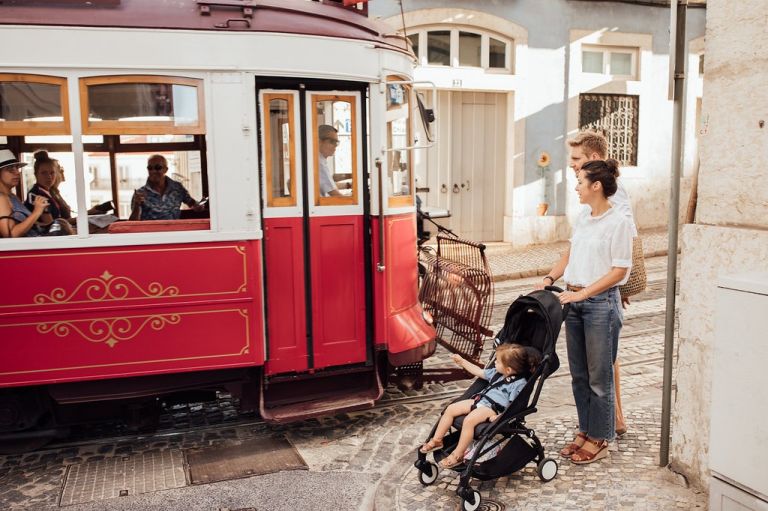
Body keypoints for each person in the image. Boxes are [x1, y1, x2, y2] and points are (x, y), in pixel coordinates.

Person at [541, 159, 633, 464]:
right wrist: (550, 278)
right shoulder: (583, 216)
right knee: (579, 376)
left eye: (580, 181)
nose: (576, 187)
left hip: (600, 306)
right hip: (574, 302)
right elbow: (570, 252)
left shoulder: (618, 222)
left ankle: (600, 437)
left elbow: (619, 271)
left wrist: (582, 293)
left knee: (599, 378)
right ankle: (585, 429)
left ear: (596, 186)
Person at [560, 130, 636, 437]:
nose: (572, 167)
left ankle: (605, 430)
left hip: (600, 297)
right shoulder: (584, 212)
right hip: (583, 296)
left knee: (601, 374)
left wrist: (615, 289)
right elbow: (576, 248)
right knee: (586, 374)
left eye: (576, 161)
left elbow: (621, 254)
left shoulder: (616, 206)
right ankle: (596, 427)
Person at [418, 343, 542, 469]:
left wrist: (500, 417)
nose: (494, 362)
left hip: (491, 409)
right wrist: (462, 362)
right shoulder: (497, 373)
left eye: (497, 361)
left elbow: (513, 404)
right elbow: (478, 371)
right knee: (451, 409)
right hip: (479, 400)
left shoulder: (519, 384)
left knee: (469, 421)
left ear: (508, 370)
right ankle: (437, 440)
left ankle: (458, 455)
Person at [129, 154, 202, 220]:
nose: (153, 171)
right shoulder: (140, 194)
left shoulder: (178, 188)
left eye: (158, 167)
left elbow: (192, 204)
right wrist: (136, 205)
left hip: (174, 233)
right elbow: (132, 224)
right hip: (150, 234)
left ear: (166, 169)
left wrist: (199, 206)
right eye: (150, 168)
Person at [0, 149, 48, 238]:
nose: (17, 173)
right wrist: (36, 212)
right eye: (11, 170)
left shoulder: (12, 197)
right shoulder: (1, 199)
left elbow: (30, 226)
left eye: (17, 168)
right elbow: (10, 235)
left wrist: (55, 224)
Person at [318, 124, 343, 197]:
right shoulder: (318, 163)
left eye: (336, 142)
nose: (335, 145)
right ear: (319, 141)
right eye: (332, 141)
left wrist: (348, 185)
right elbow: (334, 194)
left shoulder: (320, 159)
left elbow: (329, 185)